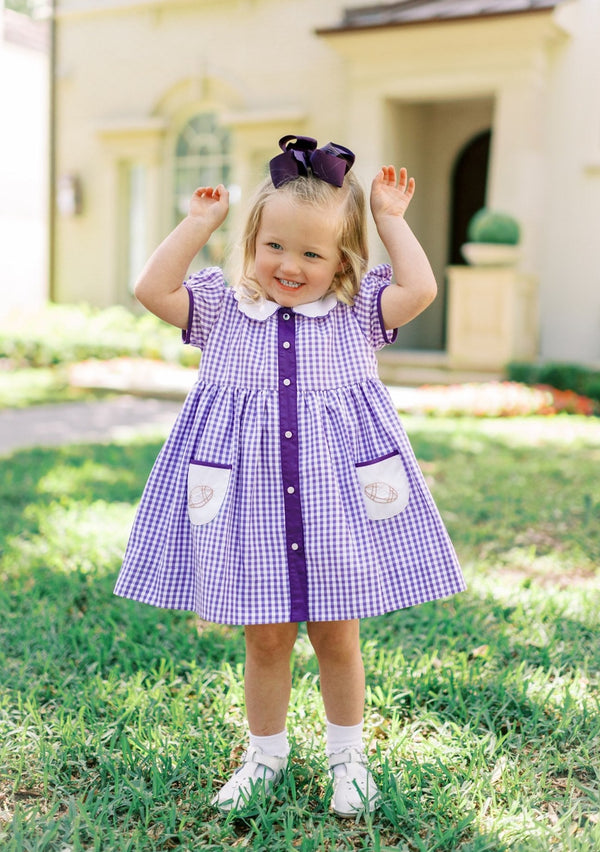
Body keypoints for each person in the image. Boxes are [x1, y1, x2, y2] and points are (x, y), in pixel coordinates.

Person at [114, 134, 466, 818]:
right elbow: (151, 288)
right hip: (250, 506)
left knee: (338, 632)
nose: (290, 265)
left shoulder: (358, 311)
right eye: (275, 246)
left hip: (335, 503)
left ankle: (348, 757)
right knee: (265, 636)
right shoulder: (220, 308)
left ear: (342, 258)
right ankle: (265, 754)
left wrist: (391, 221)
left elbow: (419, 288)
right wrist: (195, 224)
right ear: (252, 239)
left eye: (312, 252)